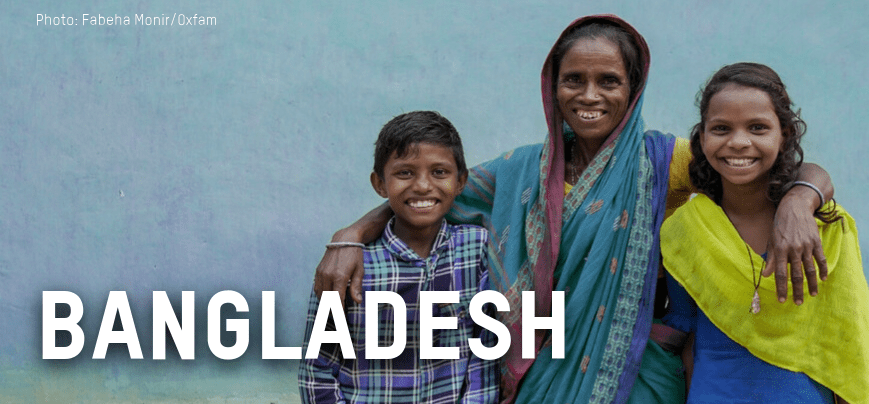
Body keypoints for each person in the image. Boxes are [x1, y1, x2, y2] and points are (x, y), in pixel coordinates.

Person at [312, 16, 836, 403]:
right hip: (543, 373)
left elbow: (776, 167)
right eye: (574, 80)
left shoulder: (667, 161)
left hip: (637, 375)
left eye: (609, 80)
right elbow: (426, 198)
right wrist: (351, 235)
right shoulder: (521, 171)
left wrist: (798, 199)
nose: (590, 95)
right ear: (552, 86)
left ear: (632, 90)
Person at [660, 63, 869, 404]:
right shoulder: (686, 229)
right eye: (720, 128)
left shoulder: (825, 226)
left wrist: (800, 200)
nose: (738, 142)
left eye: (758, 127)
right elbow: (686, 335)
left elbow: (846, 341)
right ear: (701, 138)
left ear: (785, 135)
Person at [299, 111, 497, 404]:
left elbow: (486, 355)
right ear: (380, 184)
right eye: (405, 172)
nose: (422, 185)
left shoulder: (478, 249)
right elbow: (318, 370)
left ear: (460, 181)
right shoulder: (351, 265)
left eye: (439, 172)